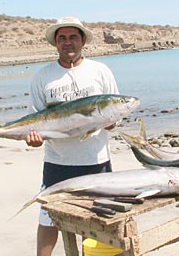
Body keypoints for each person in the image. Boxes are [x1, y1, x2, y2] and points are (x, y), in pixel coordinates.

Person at [25, 17, 119, 256]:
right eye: (62, 38)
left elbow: (115, 114)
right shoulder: (42, 76)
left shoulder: (100, 71)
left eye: (73, 37)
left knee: (103, 220)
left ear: (83, 40)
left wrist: (110, 122)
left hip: (96, 161)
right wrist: (33, 138)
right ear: (56, 43)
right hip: (57, 163)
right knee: (49, 219)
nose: (68, 43)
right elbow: (33, 121)